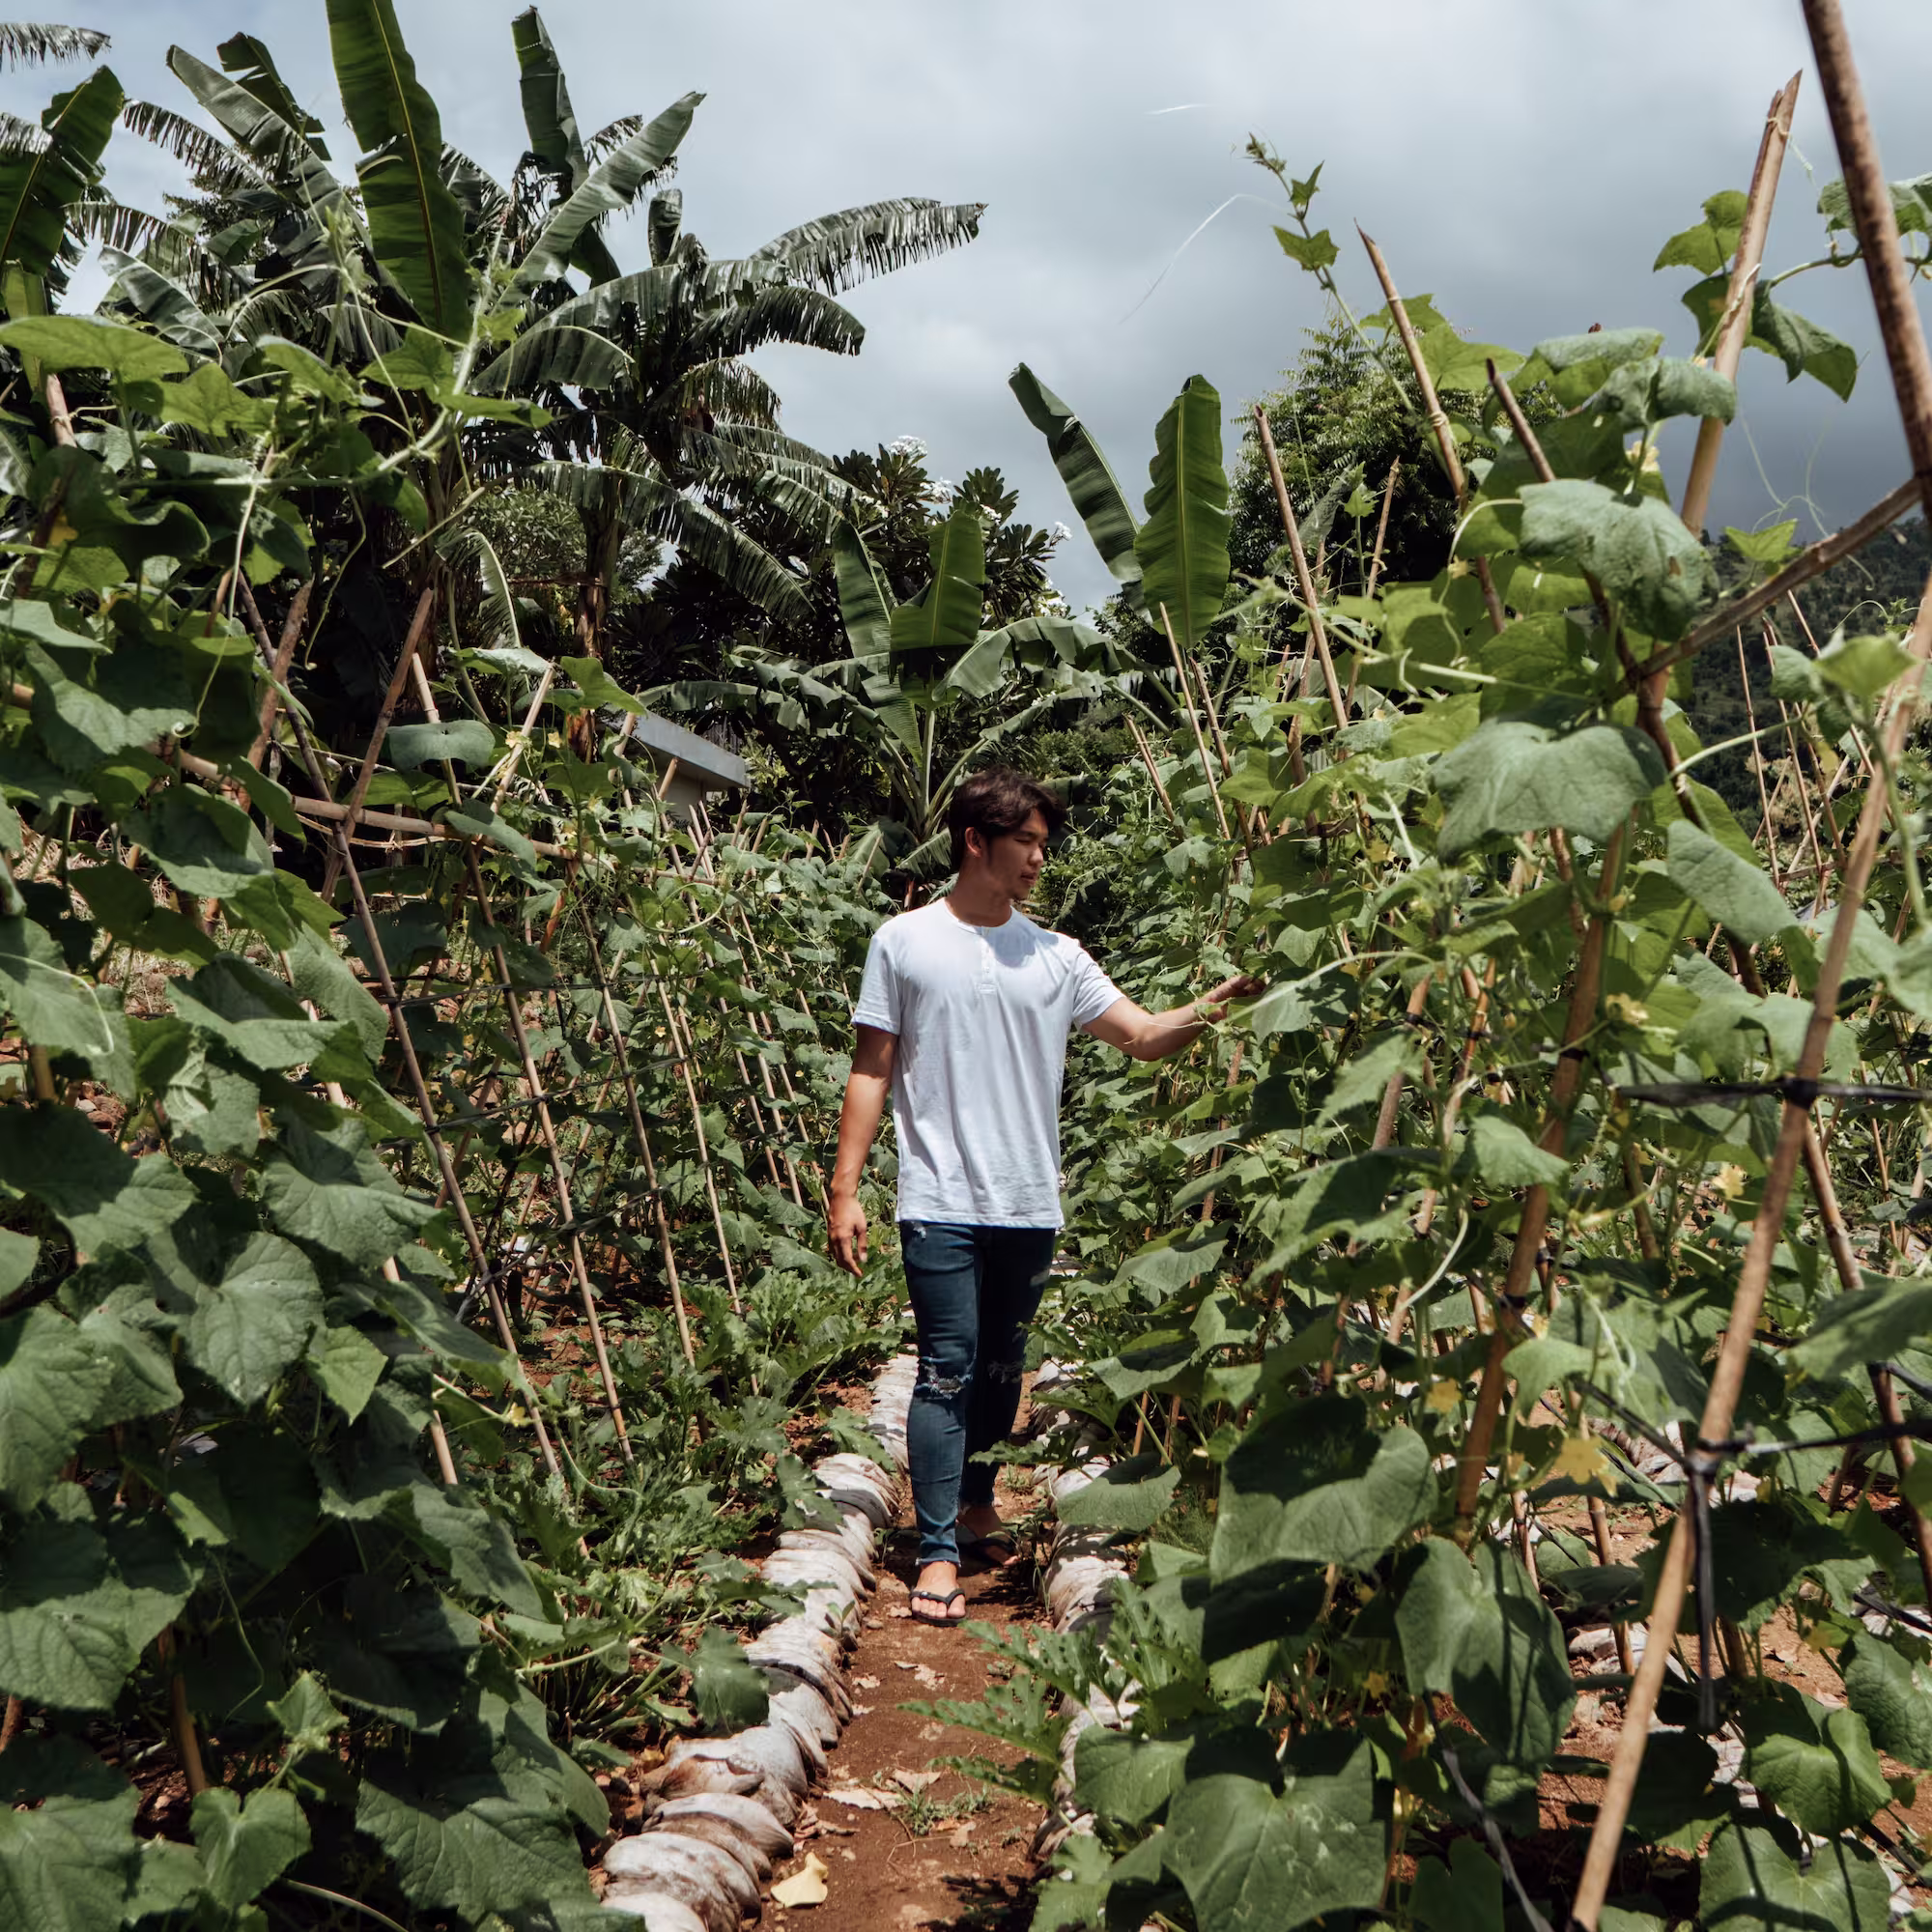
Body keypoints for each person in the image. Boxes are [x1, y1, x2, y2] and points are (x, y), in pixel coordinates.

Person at [827, 769, 1261, 1627]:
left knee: (1000, 1368)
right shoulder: (904, 943)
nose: (1038, 859)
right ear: (974, 843)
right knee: (948, 1365)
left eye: (1042, 844)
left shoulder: (1058, 956)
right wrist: (846, 1186)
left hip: (1028, 1202)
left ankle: (980, 1502)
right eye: (1025, 842)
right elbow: (872, 1067)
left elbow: (1140, 1037)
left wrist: (1215, 1007)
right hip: (940, 1194)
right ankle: (939, 1548)